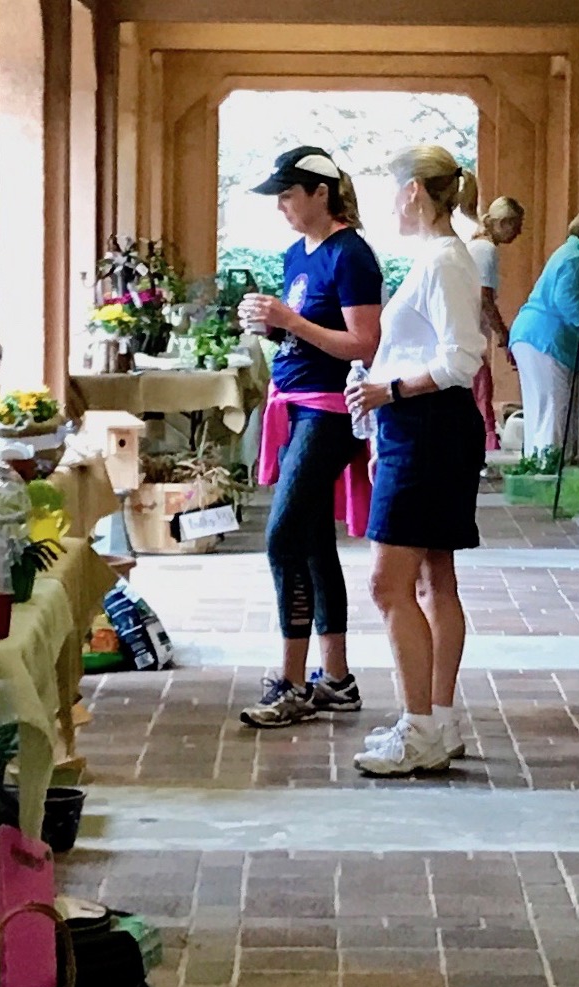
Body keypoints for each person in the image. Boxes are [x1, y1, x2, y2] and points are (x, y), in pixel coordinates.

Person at [344, 144, 488, 776]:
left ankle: (421, 725)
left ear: (413, 192)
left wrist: (389, 392)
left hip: (429, 429)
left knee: (388, 585)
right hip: (419, 428)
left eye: (392, 189)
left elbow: (461, 358)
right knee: (433, 580)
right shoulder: (437, 257)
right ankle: (437, 720)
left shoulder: (446, 260)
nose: (389, 202)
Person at [237, 145, 383, 729]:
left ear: (322, 194)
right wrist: (274, 329)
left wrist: (291, 321)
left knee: (284, 538)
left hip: (330, 410)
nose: (281, 207)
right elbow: (304, 334)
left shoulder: (352, 255)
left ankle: (293, 682)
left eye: (288, 195)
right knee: (315, 540)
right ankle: (337, 678)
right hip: (295, 403)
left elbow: (364, 344)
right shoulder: (297, 253)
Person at [509, 205, 579, 460]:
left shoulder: (569, 252)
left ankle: (537, 461)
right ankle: (550, 463)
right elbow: (565, 299)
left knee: (539, 406)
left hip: (531, 335)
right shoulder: (575, 258)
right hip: (546, 338)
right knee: (555, 404)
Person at [465, 197, 526, 450]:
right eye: (516, 225)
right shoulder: (485, 250)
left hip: (470, 331)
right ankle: (485, 443)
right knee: (481, 390)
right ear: (503, 223)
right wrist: (503, 334)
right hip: (471, 333)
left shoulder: (477, 246)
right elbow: (485, 299)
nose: (519, 232)